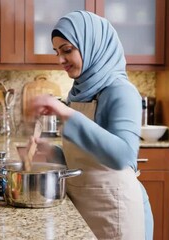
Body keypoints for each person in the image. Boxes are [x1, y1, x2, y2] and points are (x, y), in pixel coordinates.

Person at [28, 11, 153, 239]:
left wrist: (64, 112)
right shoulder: (78, 93)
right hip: (84, 207)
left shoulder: (121, 91)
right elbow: (84, 162)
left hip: (115, 210)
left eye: (67, 50)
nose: (60, 60)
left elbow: (123, 156)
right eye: (57, 52)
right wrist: (50, 151)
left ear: (92, 44)